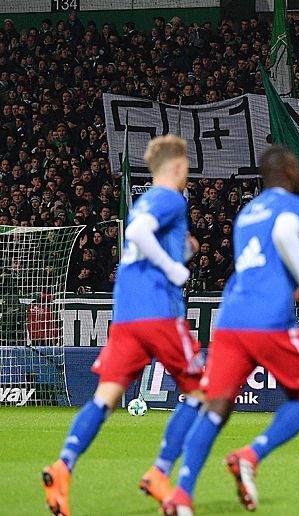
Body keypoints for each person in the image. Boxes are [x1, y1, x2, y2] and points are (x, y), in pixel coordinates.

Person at [42, 135, 201, 515]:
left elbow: (144, 239)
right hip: (158, 313)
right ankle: (161, 473)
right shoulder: (169, 198)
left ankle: (63, 466)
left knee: (106, 398)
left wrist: (182, 250)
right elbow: (139, 234)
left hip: (127, 317)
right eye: (187, 168)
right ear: (176, 167)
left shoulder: (142, 201)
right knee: (203, 394)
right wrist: (175, 267)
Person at [162, 146, 299, 514]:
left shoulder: (247, 214)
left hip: (232, 319)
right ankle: (251, 454)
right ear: (289, 169)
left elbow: (266, 254)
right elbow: (283, 234)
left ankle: (182, 494)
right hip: (270, 320)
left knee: (215, 406)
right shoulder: (297, 206)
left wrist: (298, 251)